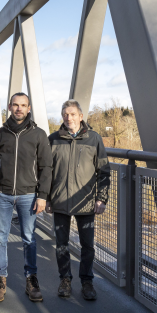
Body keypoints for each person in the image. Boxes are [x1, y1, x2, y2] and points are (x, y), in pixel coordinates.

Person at [0, 92, 52, 303]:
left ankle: (31, 279)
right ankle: (0, 279)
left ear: (29, 108)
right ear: (9, 107)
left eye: (23, 105)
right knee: (0, 238)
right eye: (15, 105)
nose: (19, 109)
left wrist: (42, 196)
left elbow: (46, 167)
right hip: (2, 194)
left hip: (28, 194)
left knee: (29, 238)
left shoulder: (39, 134)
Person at [48, 99, 110, 300]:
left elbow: (103, 171)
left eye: (73, 114)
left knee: (88, 245)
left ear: (81, 117)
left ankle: (87, 282)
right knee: (62, 244)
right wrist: (46, 198)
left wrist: (101, 199)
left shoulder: (94, 139)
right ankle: (65, 280)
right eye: (65, 114)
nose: (69, 117)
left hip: (85, 202)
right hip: (59, 200)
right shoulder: (53, 139)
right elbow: (46, 172)